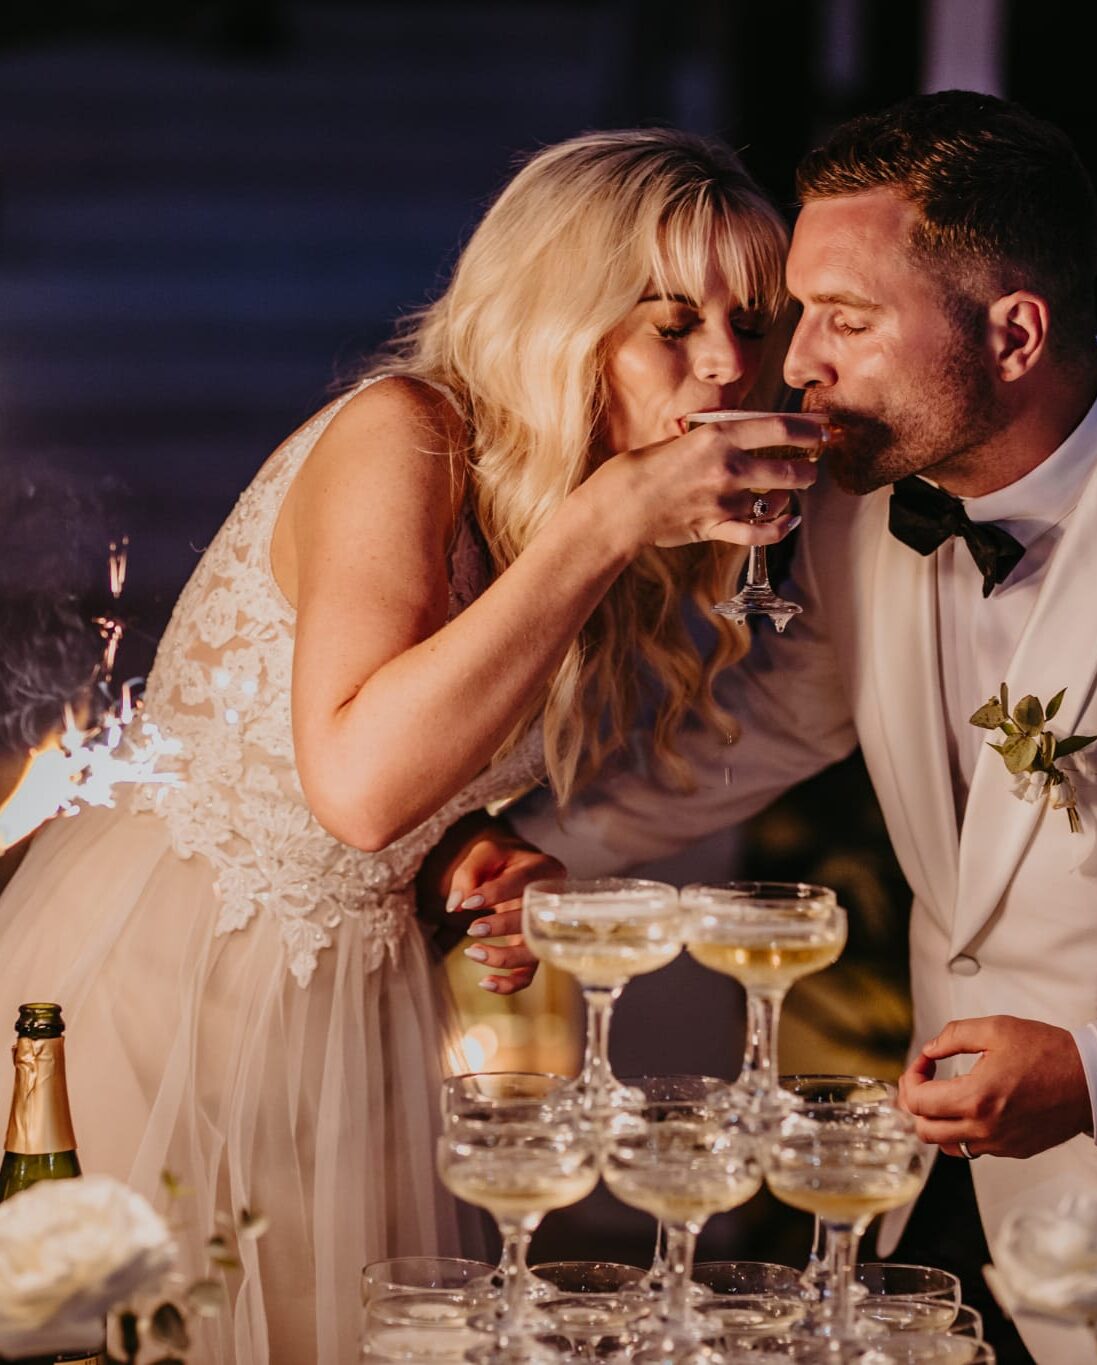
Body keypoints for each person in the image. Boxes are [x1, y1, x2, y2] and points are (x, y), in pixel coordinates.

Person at [457, 94, 1097, 1363]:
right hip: (939, 1212)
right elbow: (786, 717)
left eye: (847, 320)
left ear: (1013, 333)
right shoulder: (866, 502)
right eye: (803, 314)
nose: (800, 362)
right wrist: (562, 842)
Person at [0, 129, 822, 1364]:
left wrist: (468, 852)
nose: (725, 363)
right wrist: (605, 525)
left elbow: (408, 786)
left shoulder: (581, 505)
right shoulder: (406, 432)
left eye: (754, 323)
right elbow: (359, 789)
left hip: (354, 1009)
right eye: (670, 322)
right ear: (562, 319)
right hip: (172, 983)